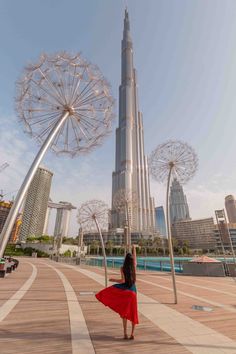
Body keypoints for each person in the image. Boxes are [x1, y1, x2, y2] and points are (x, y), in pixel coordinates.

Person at [95, 244, 139, 339]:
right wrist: (134, 248)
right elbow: (135, 258)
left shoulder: (122, 268)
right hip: (133, 292)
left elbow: (123, 281)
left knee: (124, 313)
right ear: (132, 261)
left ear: (125, 260)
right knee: (133, 312)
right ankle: (132, 334)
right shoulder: (134, 267)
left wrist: (113, 280)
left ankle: (125, 334)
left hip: (125, 292)